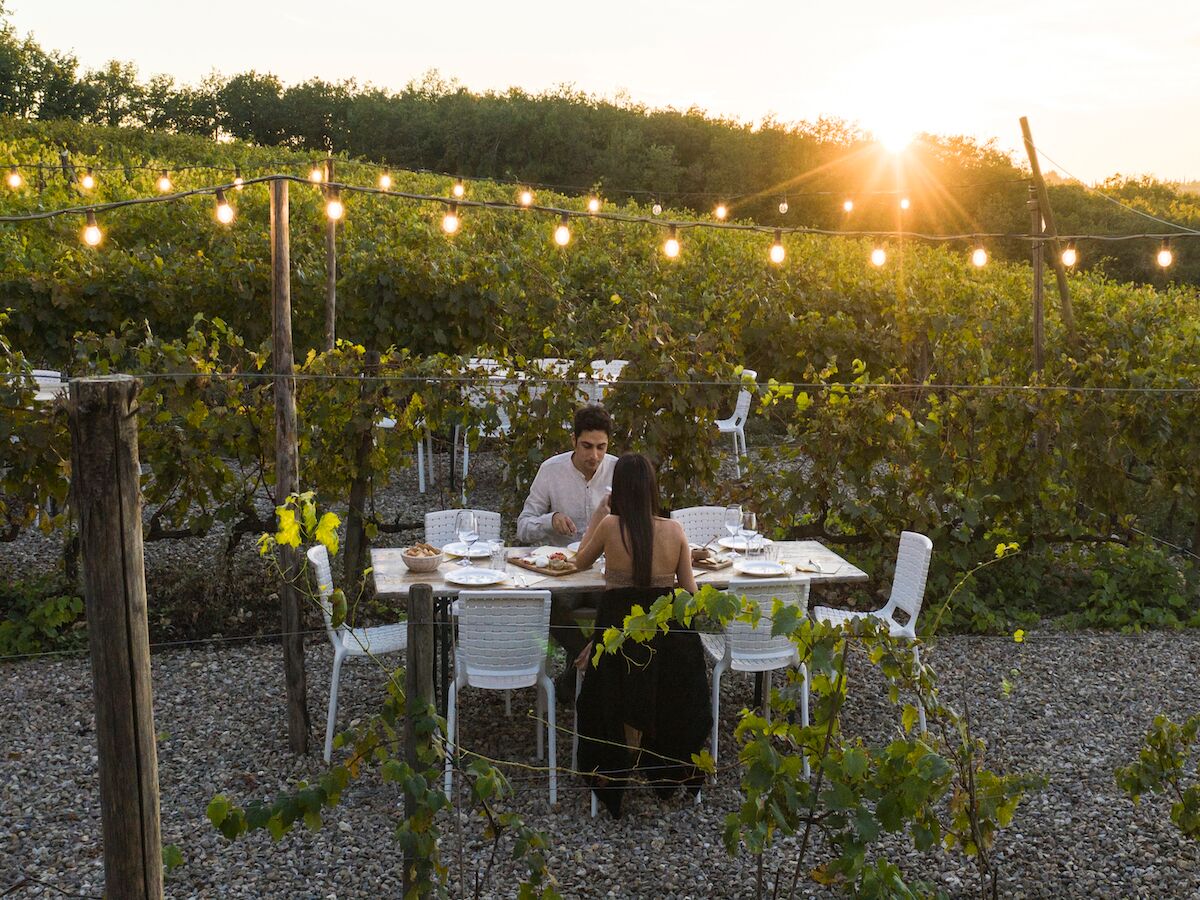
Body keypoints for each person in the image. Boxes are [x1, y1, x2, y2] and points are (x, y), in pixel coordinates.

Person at [571, 453, 712, 818]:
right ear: (652, 488)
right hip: (666, 647)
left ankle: (612, 770)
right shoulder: (675, 530)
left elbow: (579, 562)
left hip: (618, 647)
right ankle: (666, 767)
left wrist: (599, 514)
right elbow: (691, 595)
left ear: (618, 489)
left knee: (596, 685)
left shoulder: (609, 526)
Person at [516, 404, 617, 701]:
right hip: (562, 572)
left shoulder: (618, 469)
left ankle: (574, 679)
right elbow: (523, 526)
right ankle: (586, 658)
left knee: (623, 603)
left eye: (601, 447)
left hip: (603, 572)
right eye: (587, 446)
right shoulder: (551, 470)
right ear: (573, 440)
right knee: (543, 604)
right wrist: (550, 520)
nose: (594, 456)